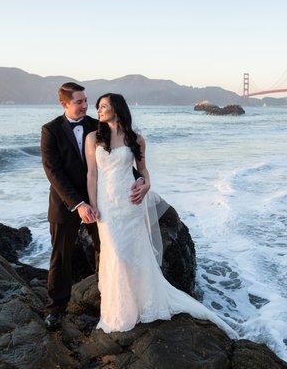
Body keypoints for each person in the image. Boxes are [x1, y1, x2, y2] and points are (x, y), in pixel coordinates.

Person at [83, 93, 238, 338]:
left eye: (104, 106)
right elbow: (91, 174)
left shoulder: (136, 139)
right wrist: (92, 205)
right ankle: (119, 311)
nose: (99, 110)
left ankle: (142, 303)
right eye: (98, 107)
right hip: (106, 206)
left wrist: (145, 185)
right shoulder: (93, 137)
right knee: (115, 255)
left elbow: (143, 171)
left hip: (130, 203)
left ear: (117, 109)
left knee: (134, 253)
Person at [40, 82, 148, 330]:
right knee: (61, 256)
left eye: (86, 101)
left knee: (107, 250)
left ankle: (109, 301)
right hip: (65, 203)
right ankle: (56, 308)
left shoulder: (96, 126)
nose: (85, 106)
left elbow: (118, 161)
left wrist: (140, 179)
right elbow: (53, 172)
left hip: (100, 202)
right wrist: (78, 204)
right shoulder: (50, 130)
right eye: (79, 102)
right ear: (64, 103)